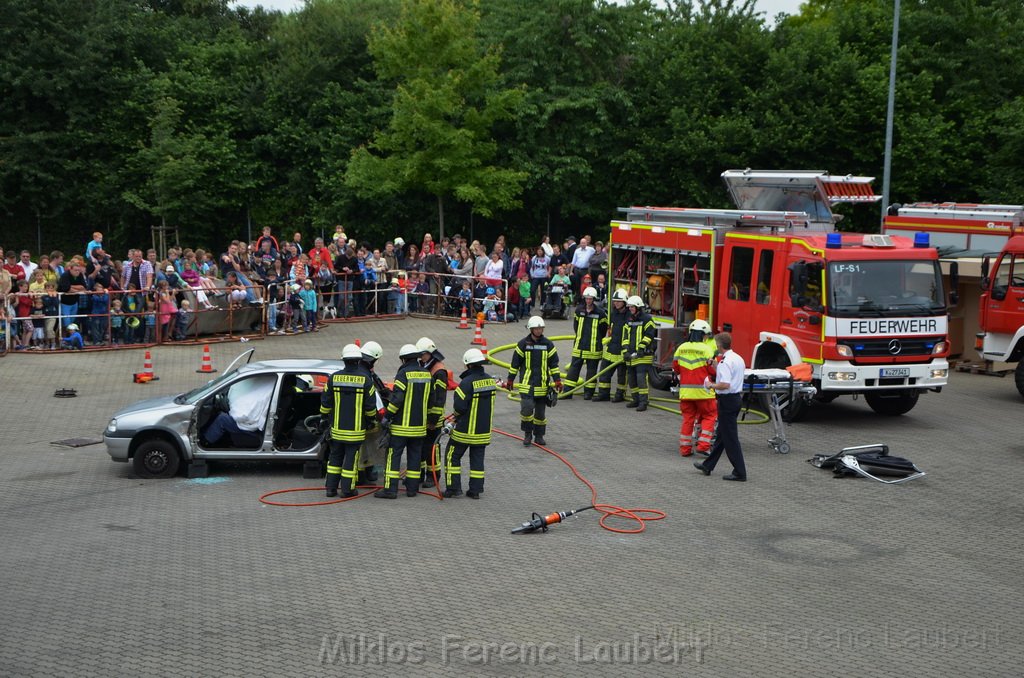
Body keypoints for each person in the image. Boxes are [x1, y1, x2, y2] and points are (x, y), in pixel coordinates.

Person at [322, 344, 380, 497]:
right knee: (350, 460)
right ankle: (347, 490)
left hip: (336, 428)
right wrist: (371, 420)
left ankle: (330, 489)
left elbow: (325, 404)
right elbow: (370, 407)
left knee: (334, 458)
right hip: (355, 430)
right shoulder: (366, 380)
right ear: (358, 360)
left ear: (344, 360)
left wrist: (324, 418)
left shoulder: (333, 378)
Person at [375, 344, 432, 499]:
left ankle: (390, 490)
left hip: (401, 427)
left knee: (394, 457)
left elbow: (397, 399)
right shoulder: (427, 374)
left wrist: (387, 416)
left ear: (404, 359)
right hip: (419, 427)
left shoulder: (403, 374)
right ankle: (412, 490)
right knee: (414, 458)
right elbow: (431, 399)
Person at [694, 332, 747, 481]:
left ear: (718, 345)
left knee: (730, 438)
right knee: (722, 435)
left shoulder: (725, 362)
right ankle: (708, 465)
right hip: (735, 399)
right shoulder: (737, 358)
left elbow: (724, 384)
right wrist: (716, 365)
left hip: (727, 401)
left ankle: (740, 472)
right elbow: (728, 375)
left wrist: (711, 385)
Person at [444, 348, 497, 499]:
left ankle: (453, 489)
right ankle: (475, 491)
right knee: (477, 461)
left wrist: (455, 417)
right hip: (483, 432)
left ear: (468, 365)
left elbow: (459, 407)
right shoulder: (490, 381)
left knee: (452, 456)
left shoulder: (466, 383)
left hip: (464, 431)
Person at [506, 316, 561, 447]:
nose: (539, 331)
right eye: (536, 328)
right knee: (526, 410)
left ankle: (539, 436)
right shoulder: (523, 344)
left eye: (541, 328)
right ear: (531, 329)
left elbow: (554, 364)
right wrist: (510, 379)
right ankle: (527, 434)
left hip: (542, 386)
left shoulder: (548, 344)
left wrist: (557, 380)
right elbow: (515, 364)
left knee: (540, 414)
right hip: (527, 385)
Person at [672, 319, 718, 457]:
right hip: (703, 392)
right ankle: (703, 446)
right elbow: (713, 371)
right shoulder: (707, 349)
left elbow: (676, 368)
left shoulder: (681, 347)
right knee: (710, 416)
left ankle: (685, 449)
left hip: (686, 393)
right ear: (703, 334)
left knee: (688, 419)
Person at [202, 374, 277, 448]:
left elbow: (245, 416)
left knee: (222, 419)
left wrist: (234, 408)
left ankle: (204, 443)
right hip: (252, 424)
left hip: (253, 431)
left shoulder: (264, 394)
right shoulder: (268, 383)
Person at [416, 336, 449, 487]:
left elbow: (439, 399)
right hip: (422, 416)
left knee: (432, 448)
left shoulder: (439, 371)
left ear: (430, 353)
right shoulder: (424, 366)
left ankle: (433, 476)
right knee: (421, 446)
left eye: (423, 354)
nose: (421, 357)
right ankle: (420, 474)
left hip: (433, 419)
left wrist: (433, 420)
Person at [563, 287, 607, 400]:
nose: (588, 301)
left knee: (591, 372)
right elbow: (576, 327)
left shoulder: (600, 313)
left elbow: (603, 330)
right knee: (573, 370)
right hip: (579, 346)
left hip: (593, 348)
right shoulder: (579, 310)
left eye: (590, 299)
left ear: (594, 299)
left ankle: (588, 393)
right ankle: (567, 392)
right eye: (586, 299)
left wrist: (596, 340)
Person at [594, 289, 630, 402]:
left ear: (624, 302)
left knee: (621, 376)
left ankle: (620, 395)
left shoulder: (629, 316)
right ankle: (603, 394)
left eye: (619, 301)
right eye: (615, 301)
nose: (616, 303)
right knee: (604, 373)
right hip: (611, 348)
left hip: (621, 350)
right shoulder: (613, 313)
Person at [622, 295, 656, 412]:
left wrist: (641, 348)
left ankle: (643, 402)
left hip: (643, 356)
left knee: (641, 379)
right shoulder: (629, 320)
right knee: (631, 379)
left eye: (632, 307)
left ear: (638, 307)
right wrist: (625, 351)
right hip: (631, 356)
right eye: (629, 307)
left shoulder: (647, 319)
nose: (630, 309)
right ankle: (635, 399)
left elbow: (649, 335)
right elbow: (625, 336)